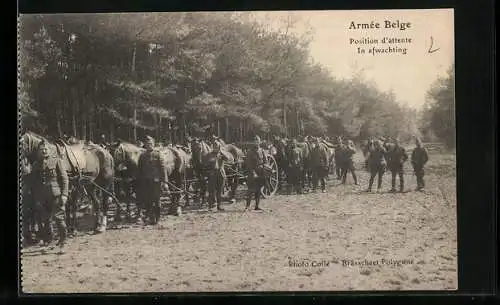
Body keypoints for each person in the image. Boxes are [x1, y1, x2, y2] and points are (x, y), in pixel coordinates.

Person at [32, 140, 69, 249]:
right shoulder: (35, 164)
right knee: (46, 220)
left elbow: (64, 179)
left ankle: (63, 241)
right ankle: (49, 241)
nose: (43, 151)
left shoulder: (57, 161)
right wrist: (37, 199)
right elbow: (35, 184)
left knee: (59, 218)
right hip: (43, 197)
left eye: (45, 149)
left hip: (56, 195)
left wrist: (64, 195)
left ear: (49, 150)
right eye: (41, 149)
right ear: (38, 151)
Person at [137, 136, 169, 224]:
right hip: (146, 182)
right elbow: (139, 169)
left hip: (156, 182)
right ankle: (151, 218)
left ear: (153, 144)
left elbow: (163, 169)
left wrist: (165, 182)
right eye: (147, 144)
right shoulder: (142, 156)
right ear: (145, 145)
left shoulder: (158, 154)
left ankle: (157, 218)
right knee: (147, 201)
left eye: (150, 144)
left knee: (157, 200)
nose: (149, 145)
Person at [204, 141, 232, 211]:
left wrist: (222, 152)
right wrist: (208, 173)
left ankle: (219, 205)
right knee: (212, 191)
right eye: (214, 147)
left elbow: (228, 159)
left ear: (219, 147)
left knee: (220, 191)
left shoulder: (221, 154)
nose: (215, 148)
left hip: (221, 174)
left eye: (217, 147)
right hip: (212, 174)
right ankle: (211, 206)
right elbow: (206, 165)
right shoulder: (209, 155)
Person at [245, 135, 266, 211]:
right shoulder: (250, 152)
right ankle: (247, 206)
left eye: (257, 141)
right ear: (253, 142)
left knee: (259, 189)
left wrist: (265, 169)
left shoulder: (262, 150)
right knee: (250, 190)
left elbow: (265, 161)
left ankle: (257, 206)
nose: (256, 143)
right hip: (252, 172)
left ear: (259, 142)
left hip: (260, 172)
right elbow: (248, 164)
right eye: (255, 141)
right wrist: (253, 172)